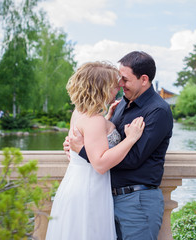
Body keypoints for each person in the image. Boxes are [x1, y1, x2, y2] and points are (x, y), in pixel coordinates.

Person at [66, 51, 174, 240]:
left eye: (124, 79)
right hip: (106, 198)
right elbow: (104, 141)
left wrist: (82, 151)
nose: (119, 84)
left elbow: (132, 159)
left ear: (144, 79)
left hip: (136, 202)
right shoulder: (123, 103)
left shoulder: (158, 111)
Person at [46, 61, 145, 240]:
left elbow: (92, 141)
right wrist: (130, 139)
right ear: (102, 88)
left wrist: (107, 119)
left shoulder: (79, 112)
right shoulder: (94, 120)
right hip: (89, 189)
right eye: (115, 86)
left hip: (76, 183)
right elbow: (99, 163)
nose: (119, 89)